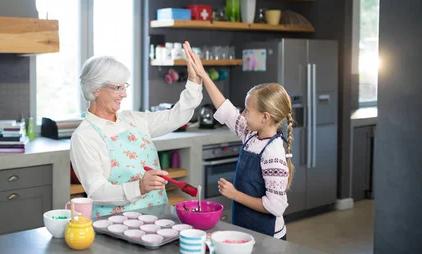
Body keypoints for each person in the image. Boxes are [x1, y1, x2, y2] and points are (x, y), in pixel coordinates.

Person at [70, 43, 202, 217]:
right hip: (115, 224)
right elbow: (96, 191)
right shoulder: (84, 136)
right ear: (95, 90)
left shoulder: (132, 120)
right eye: (117, 88)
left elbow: (176, 117)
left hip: (157, 217)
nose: (124, 94)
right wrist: (139, 187)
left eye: (124, 86)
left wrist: (194, 81)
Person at [185, 42, 294, 240]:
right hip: (246, 229)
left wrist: (235, 194)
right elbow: (226, 111)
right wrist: (203, 75)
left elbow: (275, 207)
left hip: (269, 238)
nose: (242, 114)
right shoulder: (252, 135)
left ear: (265, 117)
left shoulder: (273, 153)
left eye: (247, 110)